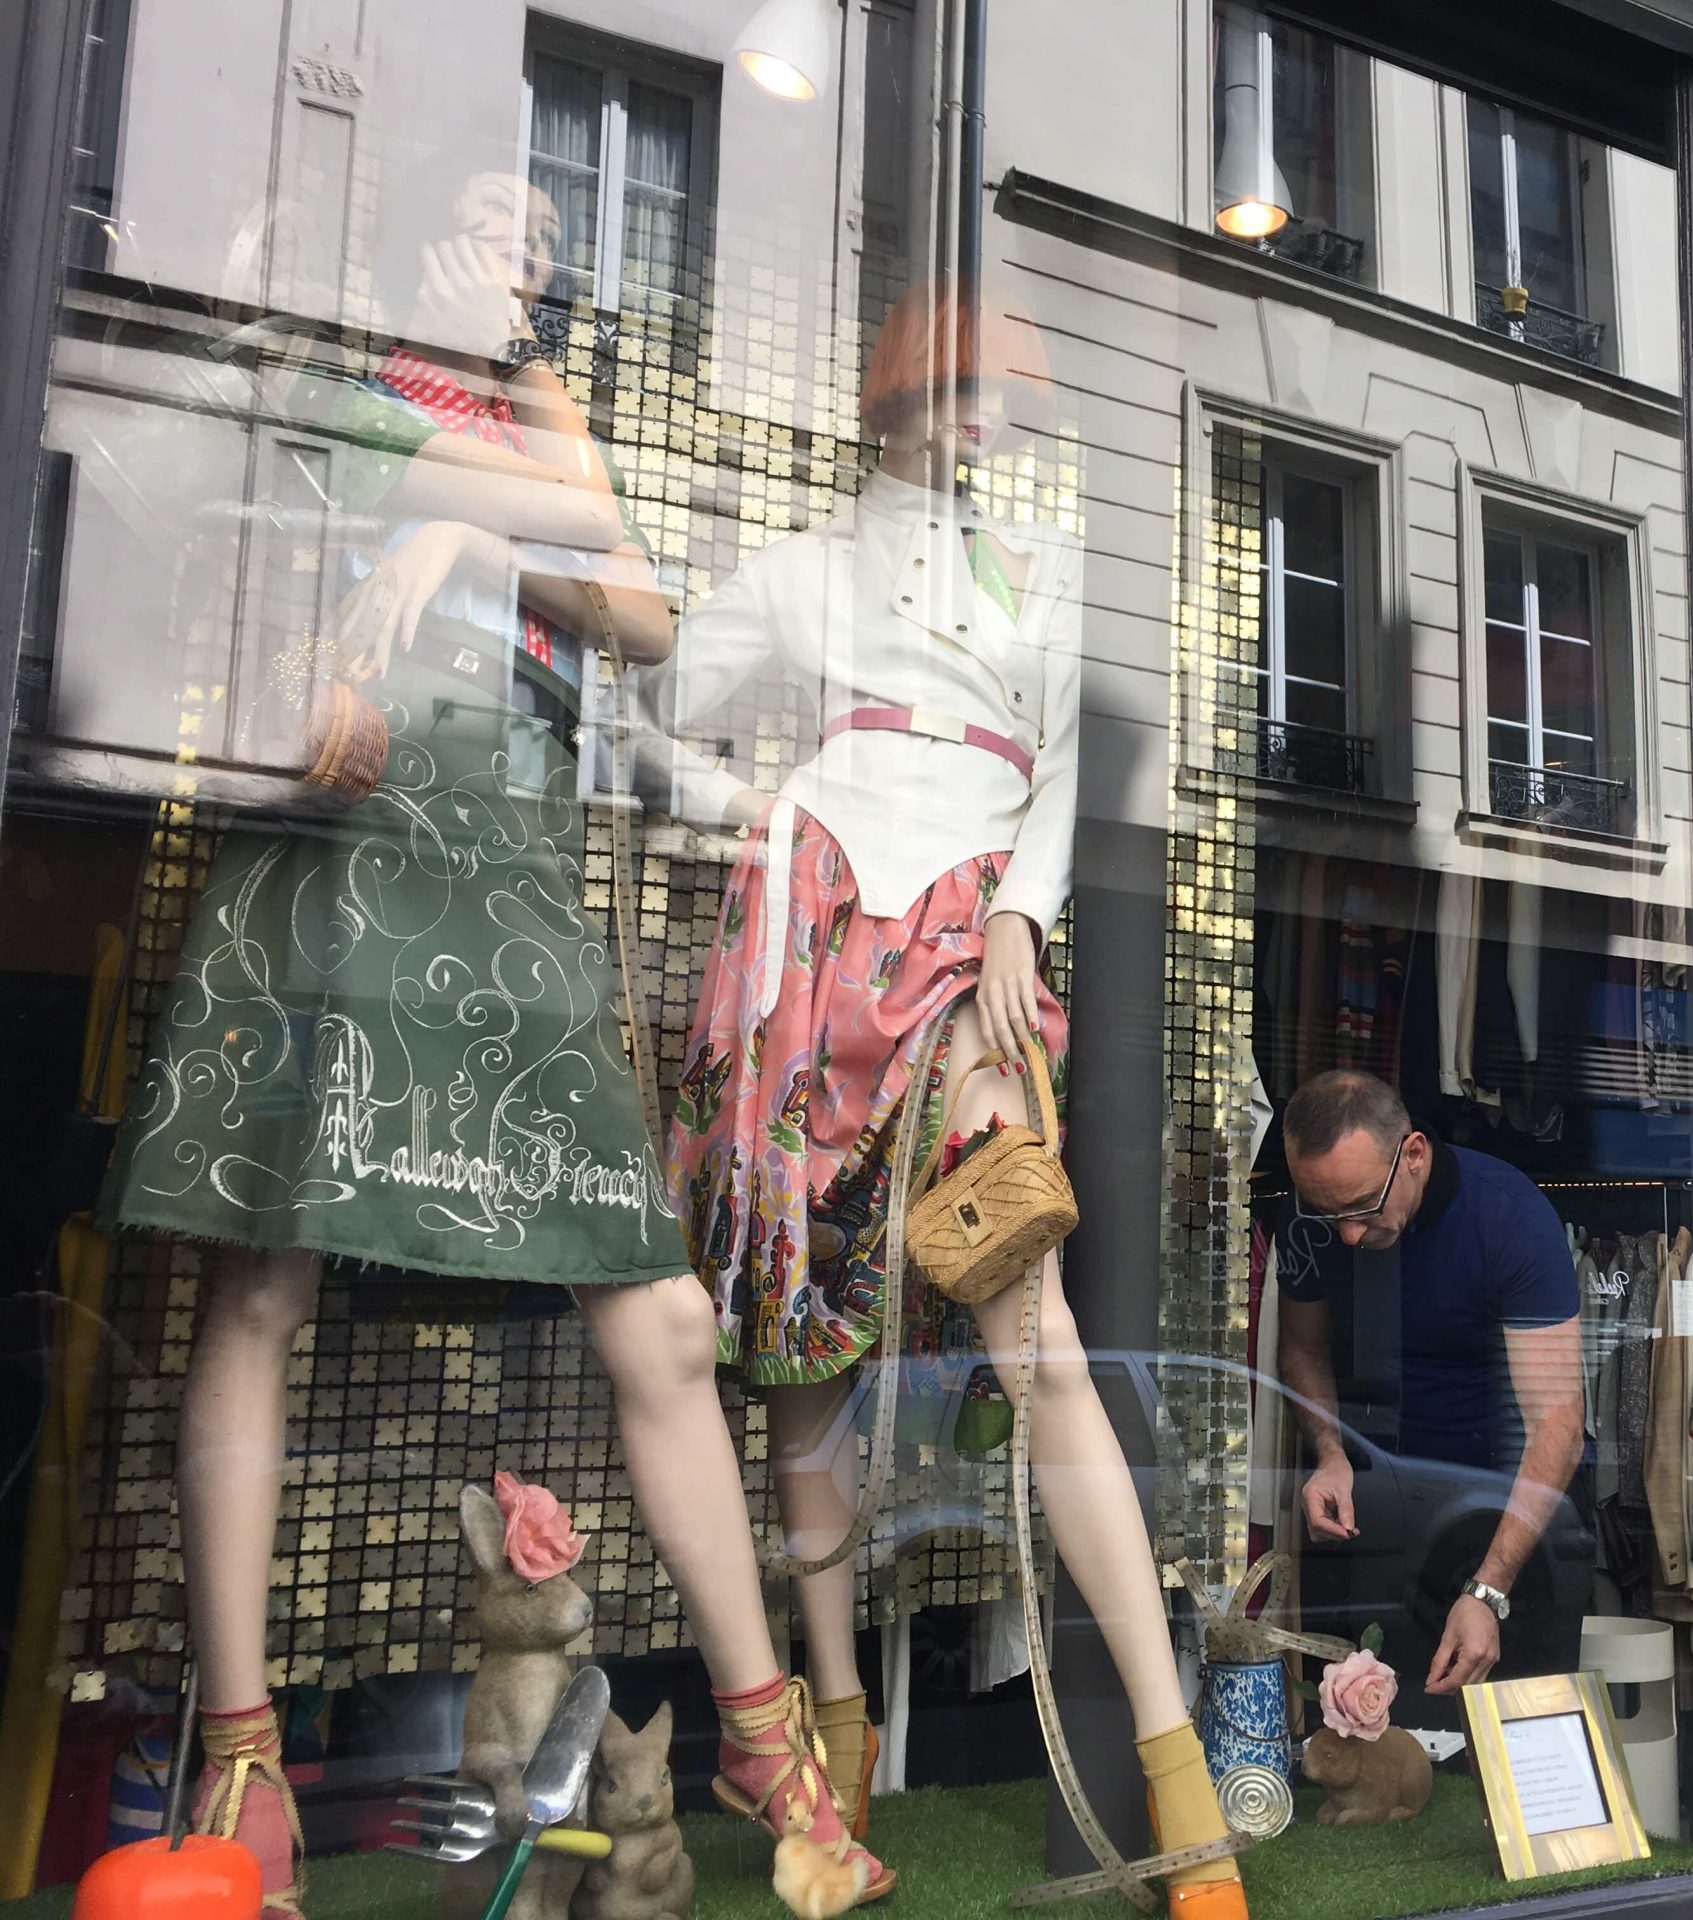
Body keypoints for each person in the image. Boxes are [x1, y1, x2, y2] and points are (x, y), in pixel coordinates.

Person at [101, 174, 879, 1920]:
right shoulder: (336, 376)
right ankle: (246, 1765)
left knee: (664, 1309)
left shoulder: (488, 402)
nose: (521, 248)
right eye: (488, 216)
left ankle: (763, 1736)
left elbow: (656, 617)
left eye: (541, 237)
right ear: (407, 234)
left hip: (506, 858)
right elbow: (589, 540)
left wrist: (471, 525)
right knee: (257, 1284)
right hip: (357, 827)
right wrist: (505, 494)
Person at [639, 276, 1248, 1918]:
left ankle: (1177, 1778)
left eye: (1005, 397)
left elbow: (1063, 758)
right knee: (799, 1349)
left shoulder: (1046, 569)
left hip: (970, 938)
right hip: (819, 930)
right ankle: (824, 1748)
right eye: (967, 389)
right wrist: (752, 816)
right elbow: (660, 704)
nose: (989, 422)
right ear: (902, 393)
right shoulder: (804, 564)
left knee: (1031, 1325)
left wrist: (1021, 912)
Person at [1276, 1070, 1588, 1721]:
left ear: (1413, 1154)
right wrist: (1329, 1453)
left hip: (1503, 1510)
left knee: (1507, 1747)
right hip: (1375, 1501)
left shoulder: (1508, 1215)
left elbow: (1557, 1426)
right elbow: (1302, 1348)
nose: (1350, 1235)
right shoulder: (1312, 1220)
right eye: (1329, 1212)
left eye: (1362, 1206)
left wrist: (1490, 1589)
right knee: (1375, 1742)